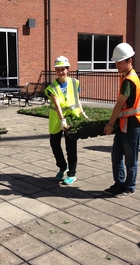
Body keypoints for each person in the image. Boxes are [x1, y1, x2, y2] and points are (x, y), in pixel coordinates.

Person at [104, 43, 140, 198]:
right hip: (125, 124)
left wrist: (109, 124)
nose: (116, 64)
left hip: (135, 125)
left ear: (129, 61)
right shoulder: (125, 76)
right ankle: (119, 184)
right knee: (116, 156)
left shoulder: (129, 80)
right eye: (115, 61)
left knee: (130, 159)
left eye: (119, 62)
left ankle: (129, 187)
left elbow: (119, 104)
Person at [44, 56, 88, 185]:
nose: (60, 72)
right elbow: (57, 104)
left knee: (71, 147)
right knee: (55, 144)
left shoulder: (75, 82)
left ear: (68, 69)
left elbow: (77, 98)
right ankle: (63, 166)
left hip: (71, 117)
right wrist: (62, 119)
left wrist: (82, 111)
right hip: (57, 119)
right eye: (58, 70)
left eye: (62, 69)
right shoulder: (52, 86)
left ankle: (72, 173)